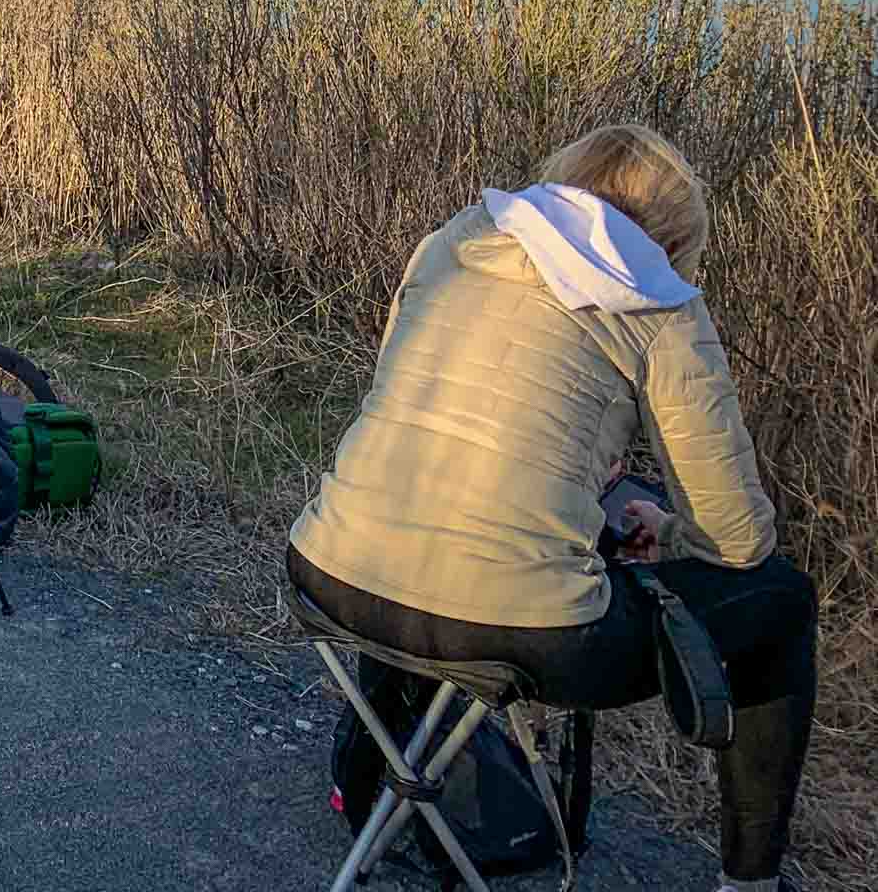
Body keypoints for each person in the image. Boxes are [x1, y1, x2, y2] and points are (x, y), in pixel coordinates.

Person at [287, 124, 819, 892]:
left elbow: (418, 410)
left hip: (330, 573)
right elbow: (736, 538)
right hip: (517, 629)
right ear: (673, 234)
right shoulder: (656, 295)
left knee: (449, 540)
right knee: (781, 603)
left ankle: (383, 781)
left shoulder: (456, 238)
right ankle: (751, 882)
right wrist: (667, 530)